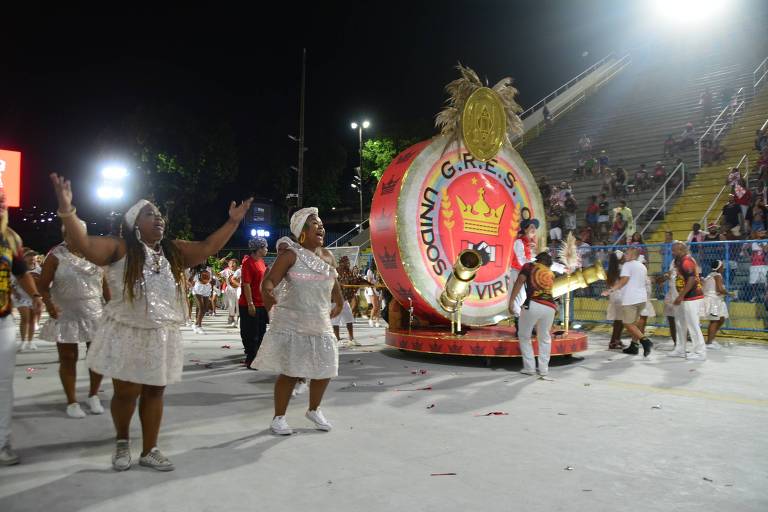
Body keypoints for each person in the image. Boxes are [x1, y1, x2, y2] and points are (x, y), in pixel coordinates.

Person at [50, 172, 253, 471]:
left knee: (155, 390)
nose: (158, 219)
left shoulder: (171, 251)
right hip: (127, 331)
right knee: (127, 392)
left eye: (159, 215)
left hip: (161, 332)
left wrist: (233, 222)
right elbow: (84, 244)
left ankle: (150, 449)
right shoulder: (120, 248)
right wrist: (67, 209)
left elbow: (209, 247)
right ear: (134, 224)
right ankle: (122, 442)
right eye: (149, 214)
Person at [252, 208, 344, 435]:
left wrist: (340, 301)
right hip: (293, 321)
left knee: (326, 367)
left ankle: (313, 409)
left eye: (321, 223)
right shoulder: (290, 255)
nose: (321, 227)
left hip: (319, 319)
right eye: (314, 223)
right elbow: (270, 281)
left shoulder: (328, 256)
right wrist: (270, 291)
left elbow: (334, 282)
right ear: (301, 231)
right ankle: (279, 418)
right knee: (291, 371)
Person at [38, 222, 110, 418]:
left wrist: (112, 307)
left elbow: (104, 285)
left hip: (95, 312)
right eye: (70, 232)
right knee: (68, 358)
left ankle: (93, 395)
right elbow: (43, 286)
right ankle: (71, 401)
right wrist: (49, 305)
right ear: (64, 234)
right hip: (66, 313)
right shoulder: (55, 256)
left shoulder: (96, 255)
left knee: (96, 355)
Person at [0, 190, 44, 466]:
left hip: (3, 320)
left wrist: (37, 297)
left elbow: (20, 271)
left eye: (2, 201)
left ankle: (2, 442)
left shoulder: (10, 238)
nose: (2, 204)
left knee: (3, 385)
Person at [508, 251, 557, 377]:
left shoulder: (529, 266)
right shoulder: (550, 273)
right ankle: (544, 369)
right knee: (545, 337)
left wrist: (512, 301)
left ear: (537, 259)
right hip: (550, 306)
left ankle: (529, 367)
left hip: (533, 304)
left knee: (524, 335)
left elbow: (519, 282)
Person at [602, 247, 653, 357]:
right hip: (642, 299)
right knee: (634, 323)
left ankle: (645, 341)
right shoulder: (642, 266)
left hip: (631, 299)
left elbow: (623, 281)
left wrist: (610, 290)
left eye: (627, 253)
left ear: (633, 255)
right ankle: (634, 346)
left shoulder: (627, 265)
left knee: (627, 323)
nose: (625, 254)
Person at [668, 242, 707, 361]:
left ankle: (700, 352)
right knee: (681, 323)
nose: (672, 252)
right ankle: (681, 348)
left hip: (692, 297)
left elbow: (692, 279)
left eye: (674, 250)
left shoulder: (687, 261)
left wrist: (681, 296)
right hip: (685, 297)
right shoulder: (678, 262)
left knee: (693, 325)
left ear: (681, 250)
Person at [239, 237, 269, 368]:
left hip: (261, 303)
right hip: (249, 304)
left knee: (261, 332)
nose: (267, 249)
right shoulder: (248, 262)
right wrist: (250, 304)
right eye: (265, 247)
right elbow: (246, 284)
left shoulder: (261, 262)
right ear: (258, 249)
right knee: (251, 333)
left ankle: (257, 357)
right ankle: (251, 359)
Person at [509, 219, 539, 326]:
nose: (533, 229)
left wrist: (563, 268)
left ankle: (524, 324)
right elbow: (521, 261)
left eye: (535, 228)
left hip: (527, 274)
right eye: (531, 227)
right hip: (517, 272)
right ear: (525, 229)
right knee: (518, 299)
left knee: (525, 299)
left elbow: (540, 260)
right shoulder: (519, 242)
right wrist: (535, 262)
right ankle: (520, 324)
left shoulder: (533, 245)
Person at [11, 251, 38, 352]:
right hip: (21, 297)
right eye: (29, 256)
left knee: (32, 319)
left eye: (33, 257)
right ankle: (23, 342)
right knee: (25, 318)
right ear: (24, 258)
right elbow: (11, 282)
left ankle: (30, 341)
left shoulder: (39, 269)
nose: (32, 258)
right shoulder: (18, 269)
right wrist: (14, 292)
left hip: (34, 297)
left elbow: (43, 282)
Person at [332, 256, 359, 346]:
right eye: (345, 262)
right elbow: (329, 282)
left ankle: (351, 339)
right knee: (335, 321)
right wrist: (338, 284)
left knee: (349, 319)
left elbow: (354, 282)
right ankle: (337, 339)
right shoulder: (334, 271)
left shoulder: (349, 272)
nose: (347, 264)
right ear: (340, 263)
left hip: (344, 300)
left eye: (348, 262)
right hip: (334, 300)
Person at [702, 260, 728, 350]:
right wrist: (728, 293)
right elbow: (720, 289)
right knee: (714, 321)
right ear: (719, 267)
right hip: (714, 300)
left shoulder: (709, 275)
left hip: (713, 299)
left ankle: (711, 339)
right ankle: (709, 342)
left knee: (721, 319)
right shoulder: (717, 275)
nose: (723, 268)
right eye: (722, 266)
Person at [605, 251, 625, 350]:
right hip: (620, 296)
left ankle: (616, 340)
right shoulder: (621, 269)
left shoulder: (611, 270)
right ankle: (613, 341)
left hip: (614, 296)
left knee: (618, 320)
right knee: (619, 321)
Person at [191, 265, 212, 334]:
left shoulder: (209, 268)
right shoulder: (195, 270)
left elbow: (211, 278)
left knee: (205, 308)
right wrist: (189, 288)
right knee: (201, 307)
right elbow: (191, 280)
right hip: (197, 289)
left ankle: (195, 324)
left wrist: (214, 286)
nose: (204, 261)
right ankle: (199, 326)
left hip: (206, 288)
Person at [219, 258, 240, 327]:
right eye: (230, 263)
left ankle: (238, 319)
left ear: (237, 264)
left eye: (234, 263)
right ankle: (232, 318)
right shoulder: (226, 271)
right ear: (228, 265)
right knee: (231, 304)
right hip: (230, 290)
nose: (232, 264)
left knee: (238, 304)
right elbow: (218, 274)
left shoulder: (240, 270)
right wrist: (217, 265)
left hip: (239, 289)